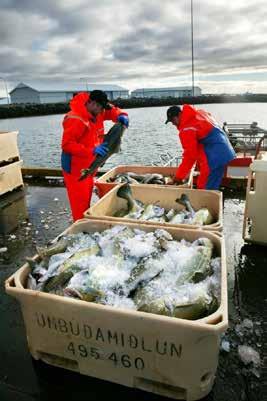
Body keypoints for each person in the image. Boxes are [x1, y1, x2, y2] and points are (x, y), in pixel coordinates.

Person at [61, 90, 129, 221]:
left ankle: (86, 221)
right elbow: (67, 145)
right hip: (74, 168)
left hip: (90, 164)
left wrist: (122, 115)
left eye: (103, 108)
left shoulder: (98, 110)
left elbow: (112, 111)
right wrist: (92, 150)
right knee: (79, 204)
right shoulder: (75, 119)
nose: (102, 112)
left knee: (87, 197)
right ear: (91, 103)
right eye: (100, 108)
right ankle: (80, 228)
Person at [165, 104, 236, 190]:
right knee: (208, 186)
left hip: (215, 157)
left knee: (204, 188)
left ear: (180, 115)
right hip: (225, 151)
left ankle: (207, 202)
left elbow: (190, 156)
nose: (172, 123)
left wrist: (178, 178)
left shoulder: (187, 129)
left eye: (173, 120)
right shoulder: (199, 113)